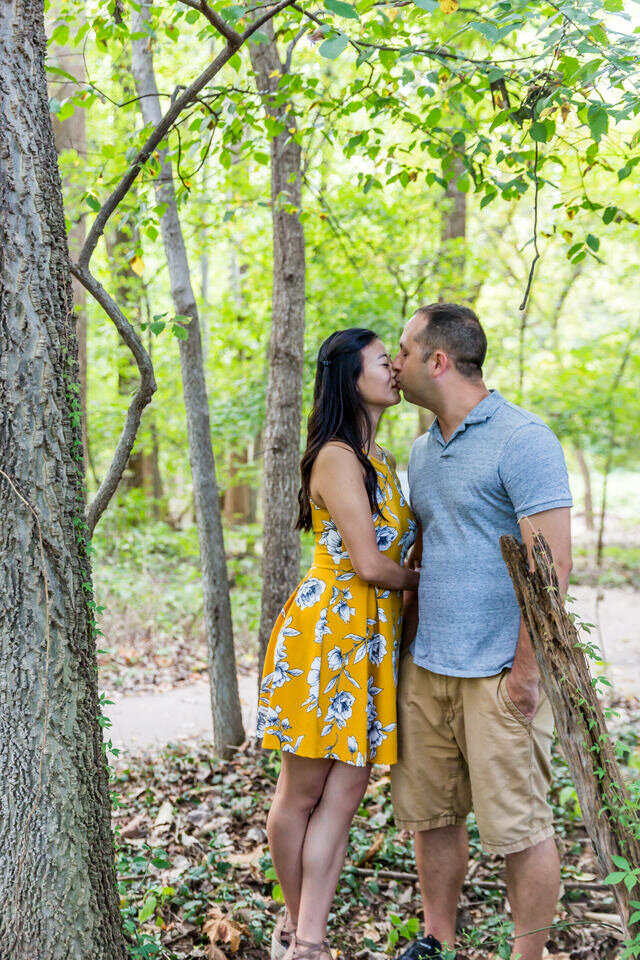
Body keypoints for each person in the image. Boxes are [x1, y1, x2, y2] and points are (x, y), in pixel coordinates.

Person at [390, 303, 573, 960]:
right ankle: (437, 941)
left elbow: (551, 570)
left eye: (405, 349)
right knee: (433, 816)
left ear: (438, 360)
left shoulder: (524, 440)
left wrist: (525, 673)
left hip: (498, 674)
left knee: (519, 828)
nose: (395, 361)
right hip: (428, 668)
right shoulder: (420, 449)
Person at [257, 328, 419, 960]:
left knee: (347, 792)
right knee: (301, 790)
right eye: (385, 361)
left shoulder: (378, 456)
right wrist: (434, 582)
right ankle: (305, 936)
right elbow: (372, 566)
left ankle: (304, 939)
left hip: (368, 637)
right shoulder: (336, 455)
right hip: (327, 634)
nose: (396, 370)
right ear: (352, 377)